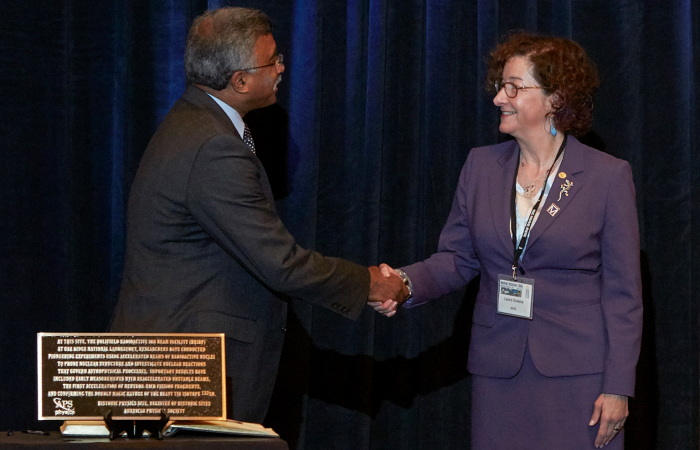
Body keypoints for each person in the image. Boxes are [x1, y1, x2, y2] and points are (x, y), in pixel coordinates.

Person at [109, 7, 407, 424]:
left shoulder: (193, 123)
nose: (282, 68)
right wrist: (369, 283)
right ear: (241, 80)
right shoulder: (213, 146)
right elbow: (280, 263)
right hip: (183, 370)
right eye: (273, 61)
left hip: (172, 360)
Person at [374, 33, 642, 449]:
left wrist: (619, 386)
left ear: (555, 98)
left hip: (579, 376)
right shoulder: (481, 166)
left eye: (514, 87)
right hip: (498, 367)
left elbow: (624, 294)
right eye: (501, 86)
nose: (500, 97)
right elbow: (456, 259)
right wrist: (403, 283)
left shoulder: (608, 177)